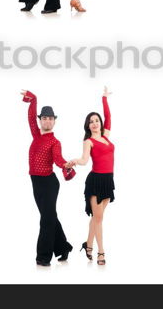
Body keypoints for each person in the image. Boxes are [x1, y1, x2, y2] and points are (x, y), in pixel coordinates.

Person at [21, 90, 75, 266]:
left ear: (54, 121)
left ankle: (43, 257)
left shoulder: (55, 142)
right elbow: (30, 117)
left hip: (49, 183)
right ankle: (63, 247)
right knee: (49, 216)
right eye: (44, 118)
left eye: (50, 118)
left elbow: (58, 159)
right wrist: (33, 100)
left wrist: (66, 165)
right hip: (35, 183)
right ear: (41, 120)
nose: (47, 121)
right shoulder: (36, 135)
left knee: (46, 219)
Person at [69, 87, 115, 266]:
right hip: (95, 181)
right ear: (88, 126)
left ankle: (88, 244)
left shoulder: (106, 136)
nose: (95, 123)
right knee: (99, 218)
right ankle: (101, 252)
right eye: (91, 122)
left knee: (97, 217)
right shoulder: (89, 141)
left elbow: (109, 117)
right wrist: (74, 161)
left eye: (97, 120)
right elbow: (84, 160)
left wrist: (104, 99)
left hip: (108, 180)